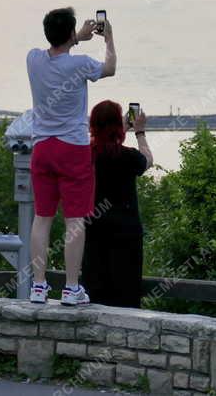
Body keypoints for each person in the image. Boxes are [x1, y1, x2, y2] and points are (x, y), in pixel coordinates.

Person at [26, 7, 116, 306]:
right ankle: (71, 288)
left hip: (42, 148)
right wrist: (108, 39)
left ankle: (38, 287)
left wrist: (76, 37)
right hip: (73, 149)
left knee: (42, 218)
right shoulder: (80, 65)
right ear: (69, 33)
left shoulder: (33, 59)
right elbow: (110, 68)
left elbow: (57, 48)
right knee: (74, 220)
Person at [82, 101, 154, 308]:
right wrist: (139, 132)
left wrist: (121, 127)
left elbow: (101, 142)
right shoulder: (127, 156)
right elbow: (147, 160)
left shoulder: (85, 155)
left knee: (94, 292)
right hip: (126, 233)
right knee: (126, 294)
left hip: (93, 229)